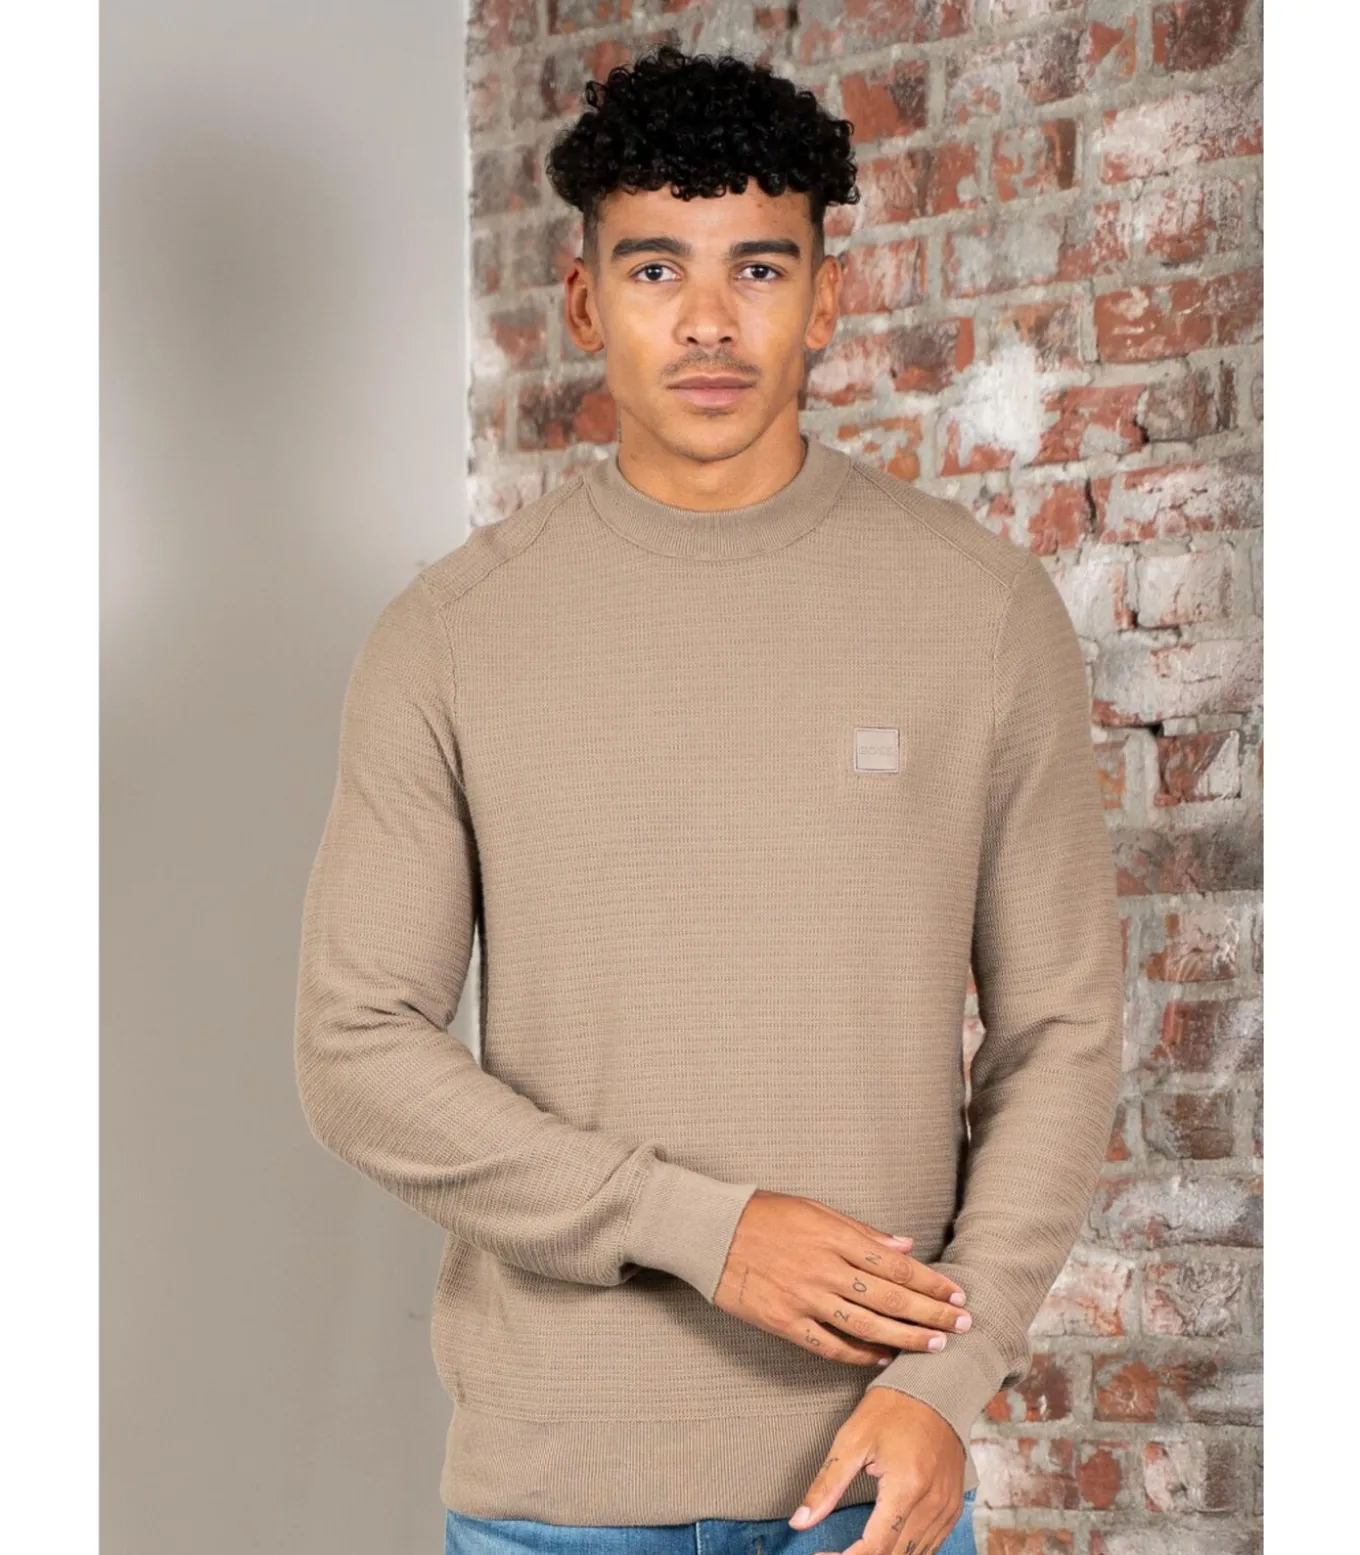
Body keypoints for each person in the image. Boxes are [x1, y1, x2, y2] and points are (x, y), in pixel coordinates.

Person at [293, 44, 1125, 1555]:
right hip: (558, 1496)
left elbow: (1060, 1029)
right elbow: (355, 1049)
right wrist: (706, 1231)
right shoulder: (452, 636)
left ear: (827, 295)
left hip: (870, 1477)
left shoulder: (979, 612)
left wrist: (950, 1380)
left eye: (758, 266)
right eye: (655, 267)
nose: (707, 320)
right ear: (583, 301)